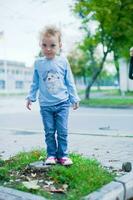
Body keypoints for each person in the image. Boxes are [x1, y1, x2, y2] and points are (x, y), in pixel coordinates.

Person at [26, 25, 80, 166]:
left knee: (62, 131)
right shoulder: (38, 63)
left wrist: (74, 98)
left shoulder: (63, 61)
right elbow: (35, 83)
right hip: (46, 105)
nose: (48, 48)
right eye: (44, 45)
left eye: (52, 45)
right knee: (49, 132)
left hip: (62, 103)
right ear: (40, 45)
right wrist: (30, 97)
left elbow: (70, 81)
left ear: (59, 46)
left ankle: (63, 155)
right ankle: (51, 155)